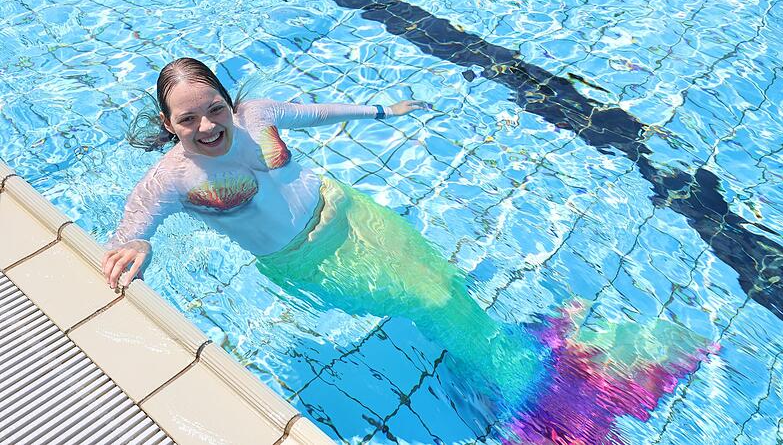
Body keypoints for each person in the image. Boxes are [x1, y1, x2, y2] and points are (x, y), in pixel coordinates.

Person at [103, 57, 714, 442]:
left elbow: (314, 112)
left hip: (353, 213)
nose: (208, 127)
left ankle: (514, 376)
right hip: (311, 260)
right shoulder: (172, 178)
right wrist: (133, 247)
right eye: (189, 121)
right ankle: (537, 397)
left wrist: (381, 109)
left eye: (214, 108)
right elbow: (137, 223)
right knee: (428, 297)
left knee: (446, 284)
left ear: (227, 98)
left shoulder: (256, 113)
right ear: (168, 124)